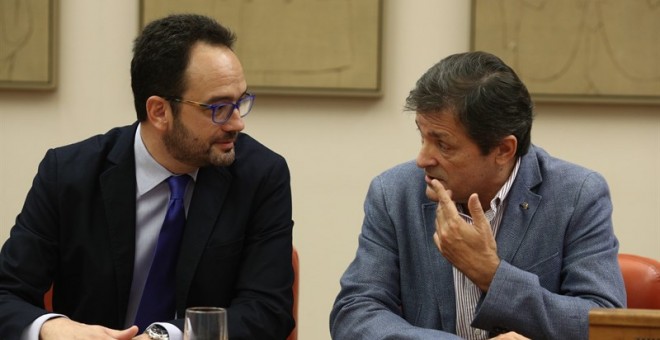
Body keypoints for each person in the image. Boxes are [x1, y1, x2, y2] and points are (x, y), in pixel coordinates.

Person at [0, 14, 294, 340]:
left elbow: (268, 310)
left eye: (240, 101)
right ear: (159, 111)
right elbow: (6, 293)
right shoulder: (69, 174)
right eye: (219, 108)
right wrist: (55, 329)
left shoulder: (260, 176)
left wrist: (167, 336)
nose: (237, 122)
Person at [330, 51, 626, 339]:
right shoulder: (394, 193)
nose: (423, 159)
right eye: (423, 137)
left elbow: (605, 324)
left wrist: (492, 276)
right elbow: (355, 311)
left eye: (443, 145)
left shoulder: (576, 195)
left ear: (503, 150)